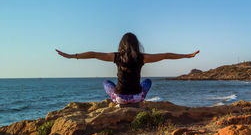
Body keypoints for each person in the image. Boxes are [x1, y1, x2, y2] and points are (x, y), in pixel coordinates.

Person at [56, 32, 199, 106]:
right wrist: (187, 56)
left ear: (122, 44)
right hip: (137, 97)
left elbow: (93, 54)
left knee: (106, 83)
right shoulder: (142, 57)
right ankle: (139, 102)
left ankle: (118, 103)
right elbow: (166, 55)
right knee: (147, 81)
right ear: (136, 44)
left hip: (120, 98)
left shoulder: (116, 57)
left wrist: (71, 56)